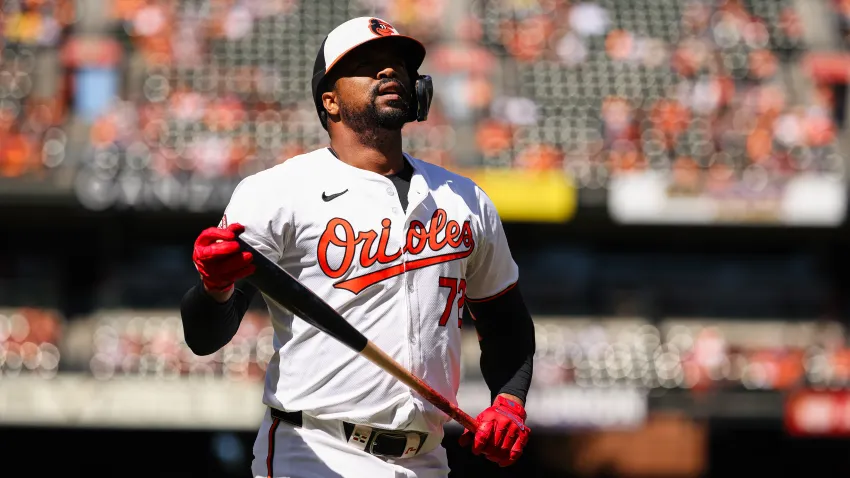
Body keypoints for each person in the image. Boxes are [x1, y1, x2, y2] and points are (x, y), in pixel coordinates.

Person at [180, 17, 535, 478]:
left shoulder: (465, 199)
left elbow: (505, 320)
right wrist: (216, 286)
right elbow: (204, 337)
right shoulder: (278, 191)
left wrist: (508, 403)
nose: (389, 73)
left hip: (427, 458)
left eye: (398, 65)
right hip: (313, 451)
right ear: (329, 100)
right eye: (368, 65)